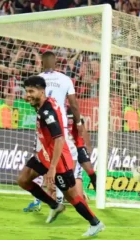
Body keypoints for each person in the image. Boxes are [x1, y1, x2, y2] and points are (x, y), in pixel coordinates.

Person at [17, 76, 104, 237]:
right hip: (45, 154)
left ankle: (95, 223)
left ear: (42, 91)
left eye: (31, 91)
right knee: (23, 179)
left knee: (71, 197)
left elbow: (59, 139)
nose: (27, 95)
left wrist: (51, 169)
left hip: (59, 161)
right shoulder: (43, 102)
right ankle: (54, 205)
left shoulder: (47, 111)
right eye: (26, 91)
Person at [38, 51, 83, 205]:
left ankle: (38, 198)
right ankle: (60, 195)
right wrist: (78, 122)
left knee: (41, 159)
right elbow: (73, 104)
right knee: (69, 158)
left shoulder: (38, 79)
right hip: (59, 124)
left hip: (42, 125)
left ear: (42, 63)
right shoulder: (65, 79)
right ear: (56, 63)